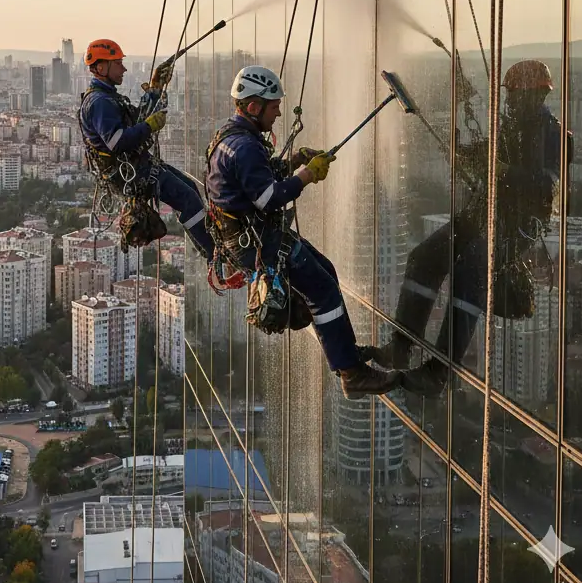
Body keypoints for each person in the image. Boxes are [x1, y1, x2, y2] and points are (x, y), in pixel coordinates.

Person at [369, 58, 571, 394]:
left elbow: (547, 185)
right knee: (424, 257)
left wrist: (504, 170)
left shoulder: (554, 135)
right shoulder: (510, 128)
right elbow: (486, 157)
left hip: (518, 223)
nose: (510, 104)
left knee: (471, 269)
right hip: (484, 211)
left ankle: (439, 372)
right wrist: (464, 154)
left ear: (537, 97)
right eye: (510, 98)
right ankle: (401, 347)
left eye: (517, 98)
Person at [204, 65, 404, 399]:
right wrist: (308, 175)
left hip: (251, 236)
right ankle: (351, 374)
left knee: (325, 271)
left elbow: (254, 182)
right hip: (257, 241)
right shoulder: (246, 147)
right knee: (323, 290)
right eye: (273, 106)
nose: (279, 111)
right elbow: (268, 198)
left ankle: (346, 353)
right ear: (253, 107)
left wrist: (296, 159)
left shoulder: (232, 136)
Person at [78, 38, 214, 258]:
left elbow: (137, 116)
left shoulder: (108, 97)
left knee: (190, 188)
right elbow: (117, 141)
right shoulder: (99, 102)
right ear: (101, 67)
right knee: (187, 199)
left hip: (135, 166)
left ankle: (210, 250)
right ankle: (214, 255)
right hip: (129, 172)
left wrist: (155, 88)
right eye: (118, 63)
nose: (123, 68)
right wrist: (148, 126)